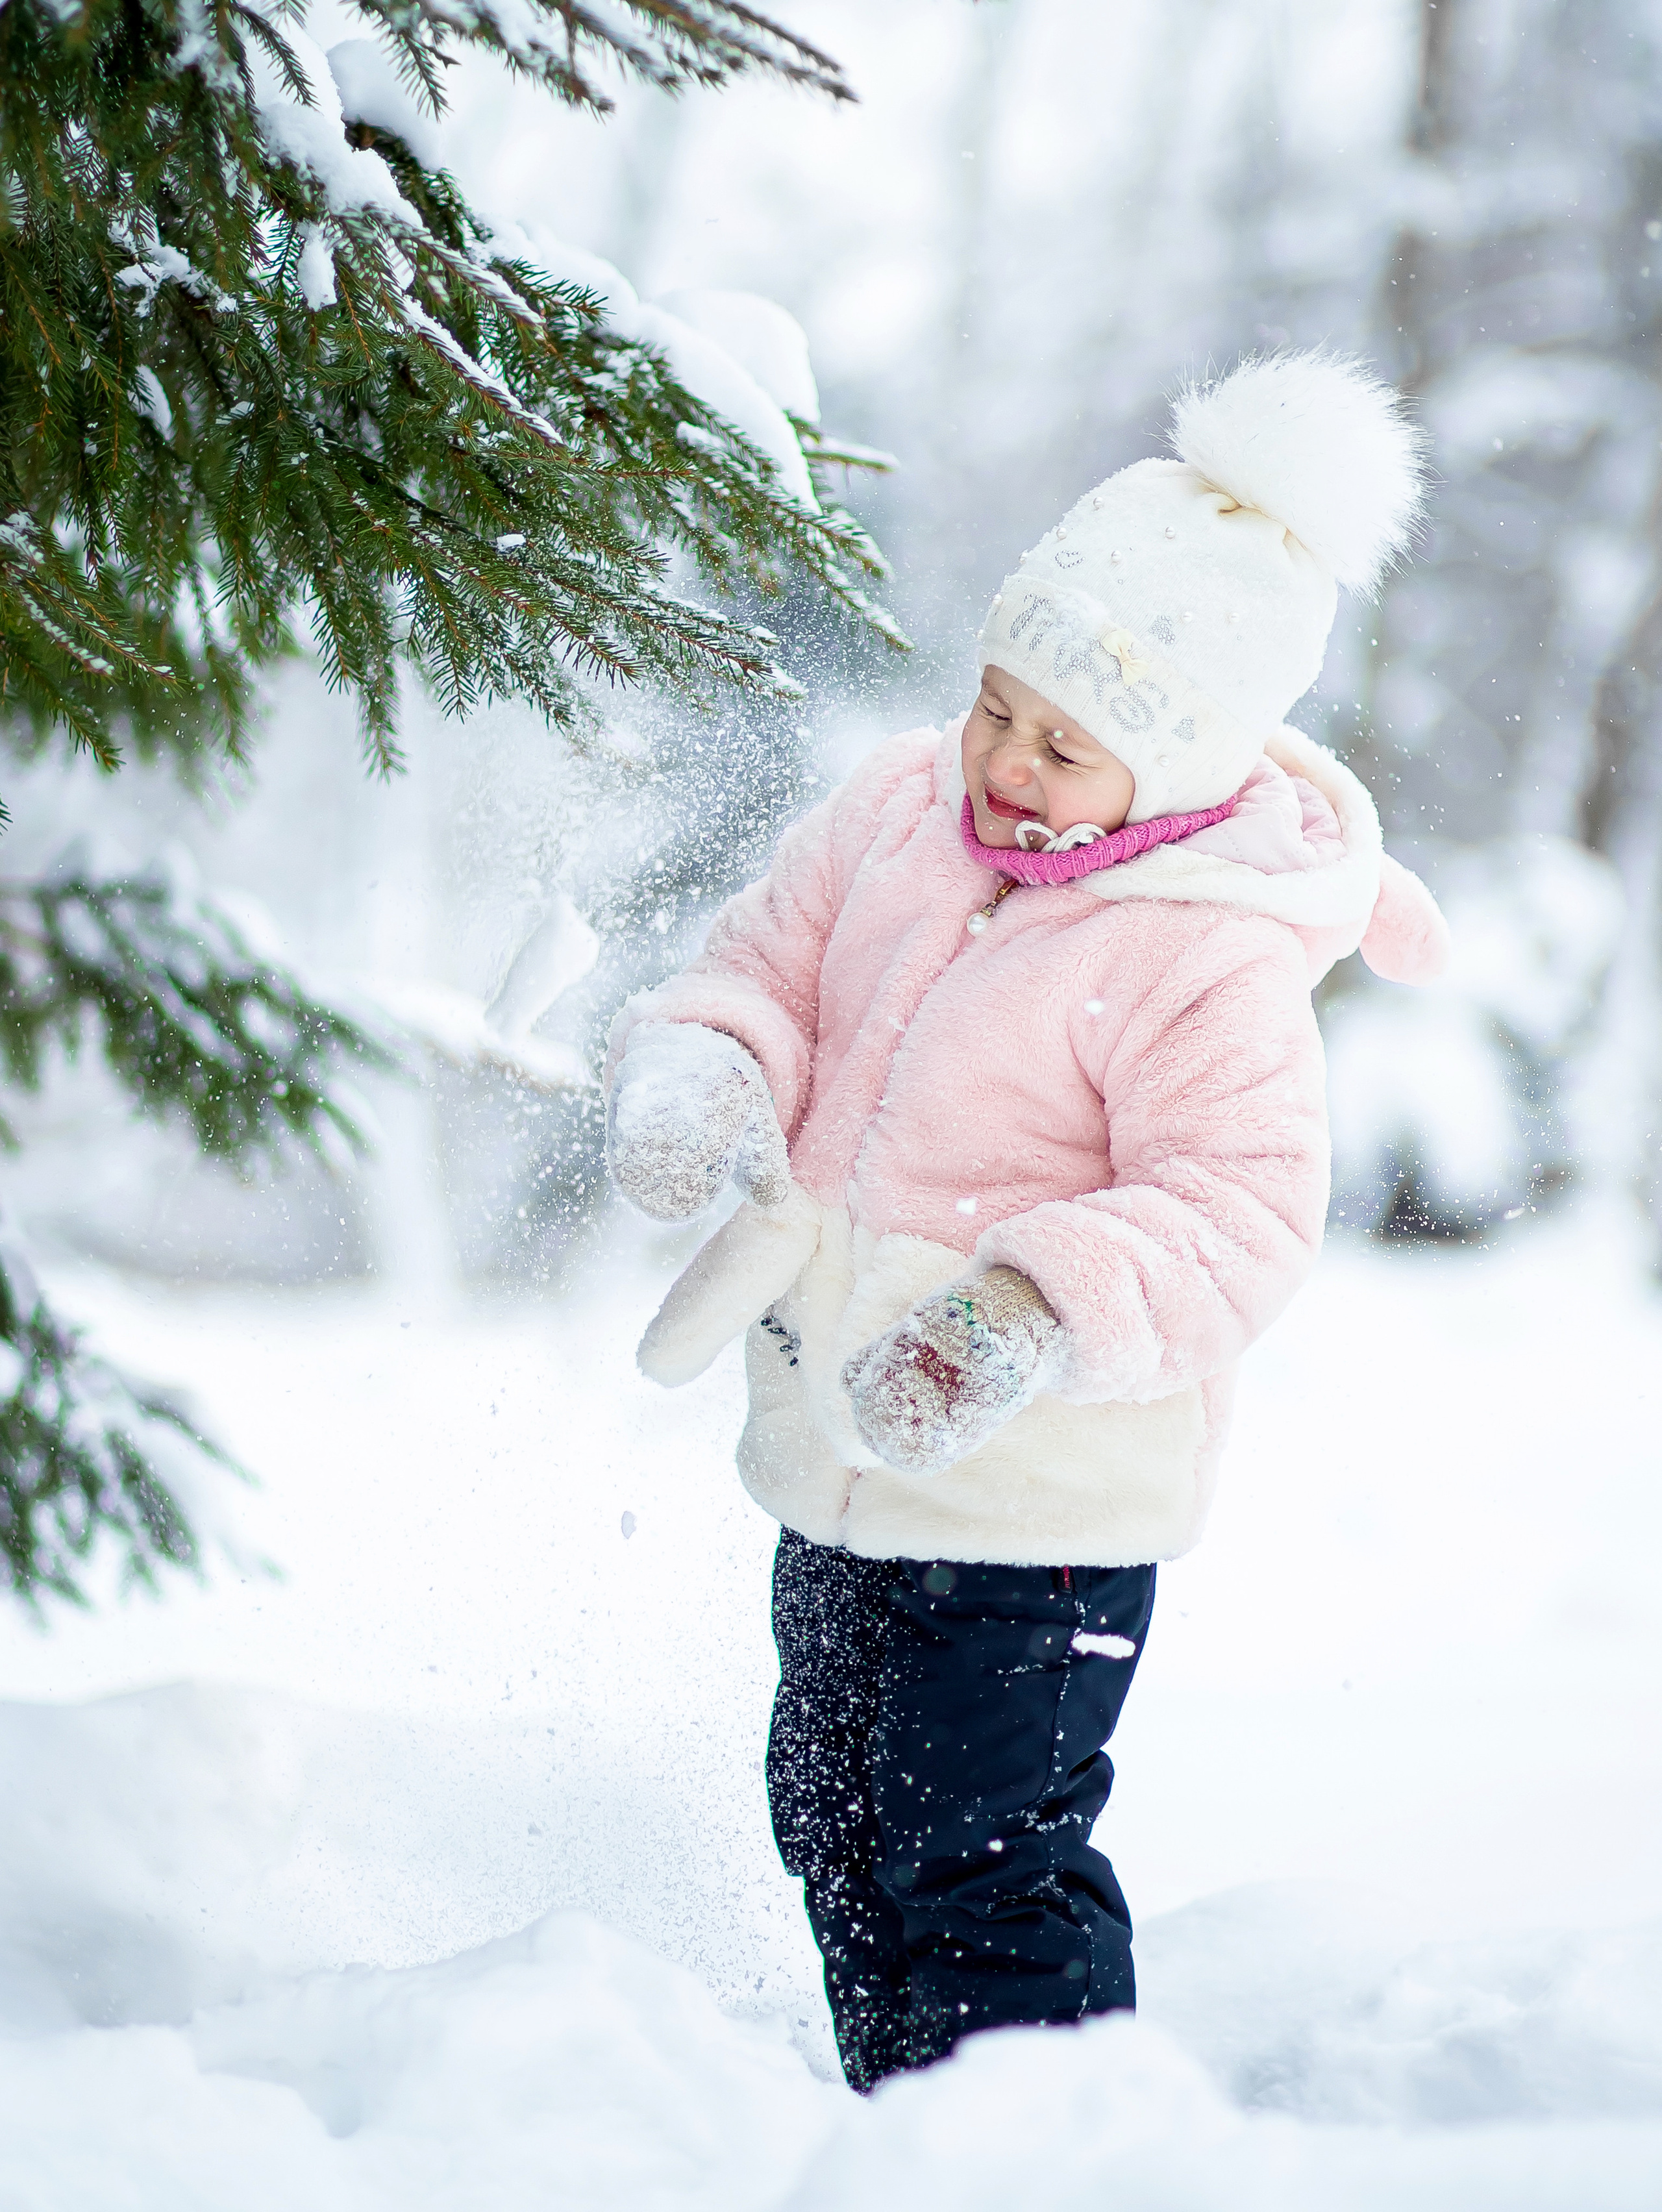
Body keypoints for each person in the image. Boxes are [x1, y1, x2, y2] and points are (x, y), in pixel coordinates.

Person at [602, 351, 1450, 2092]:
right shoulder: (895, 813)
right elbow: (767, 964)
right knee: (833, 1814)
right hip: (840, 1455)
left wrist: (1024, 1315)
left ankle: (1043, 2145)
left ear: (1181, 765)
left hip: (1040, 1510)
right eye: (998, 704)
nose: (1004, 762)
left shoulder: (1203, 958)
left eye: (1068, 746)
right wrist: (713, 1067)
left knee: (975, 1848)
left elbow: (1237, 1212)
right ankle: (900, 2124)